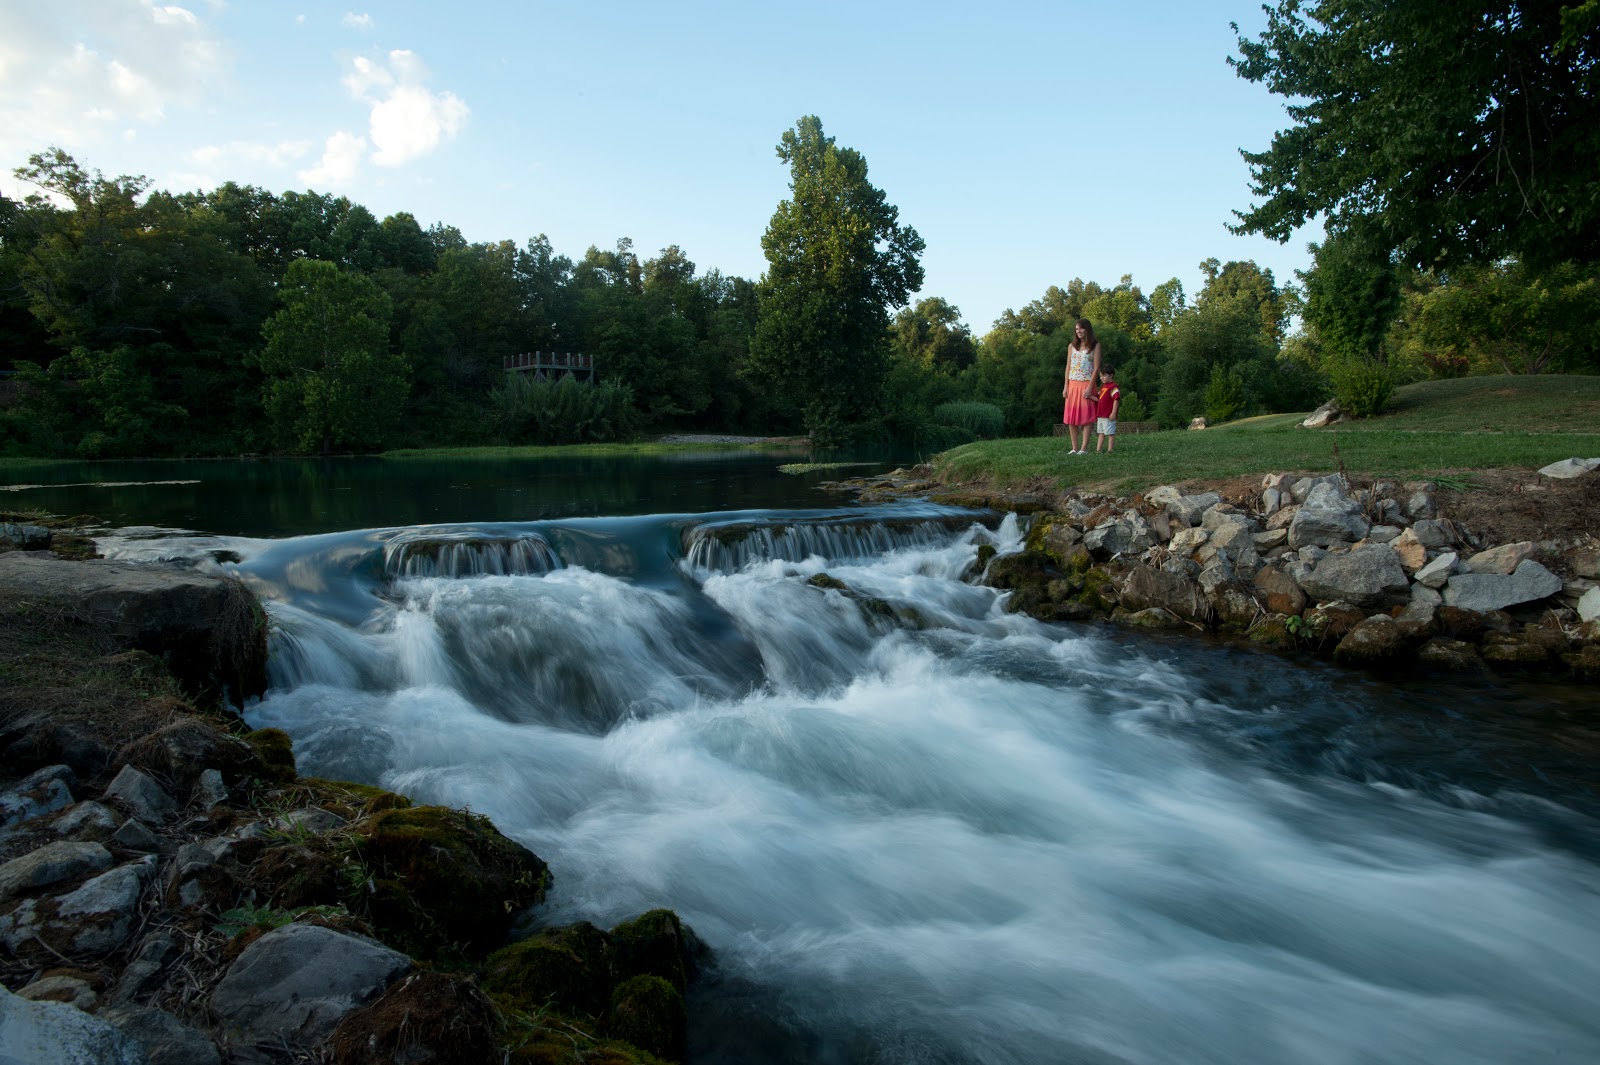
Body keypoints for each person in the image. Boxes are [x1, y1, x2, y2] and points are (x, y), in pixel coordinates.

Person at [1060, 318, 1101, 455]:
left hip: (1086, 384)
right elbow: (1068, 366)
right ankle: (1074, 448)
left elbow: (1096, 368)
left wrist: (1090, 388)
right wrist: (1066, 386)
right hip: (1073, 384)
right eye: (1077, 329)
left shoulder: (1095, 345)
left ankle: (1083, 449)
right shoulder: (1072, 346)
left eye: (1081, 328)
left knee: (1086, 417)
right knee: (1072, 418)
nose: (1079, 331)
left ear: (1087, 329)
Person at [1094, 365, 1121, 453]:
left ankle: (1110, 450)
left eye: (1104, 375)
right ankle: (1098, 450)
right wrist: (1090, 397)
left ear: (1111, 375)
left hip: (1108, 415)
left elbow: (1116, 399)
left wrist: (1113, 413)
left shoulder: (1113, 387)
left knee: (1110, 433)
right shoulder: (1103, 387)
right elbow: (1099, 398)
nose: (1102, 378)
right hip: (1101, 414)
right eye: (1101, 376)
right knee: (1101, 433)